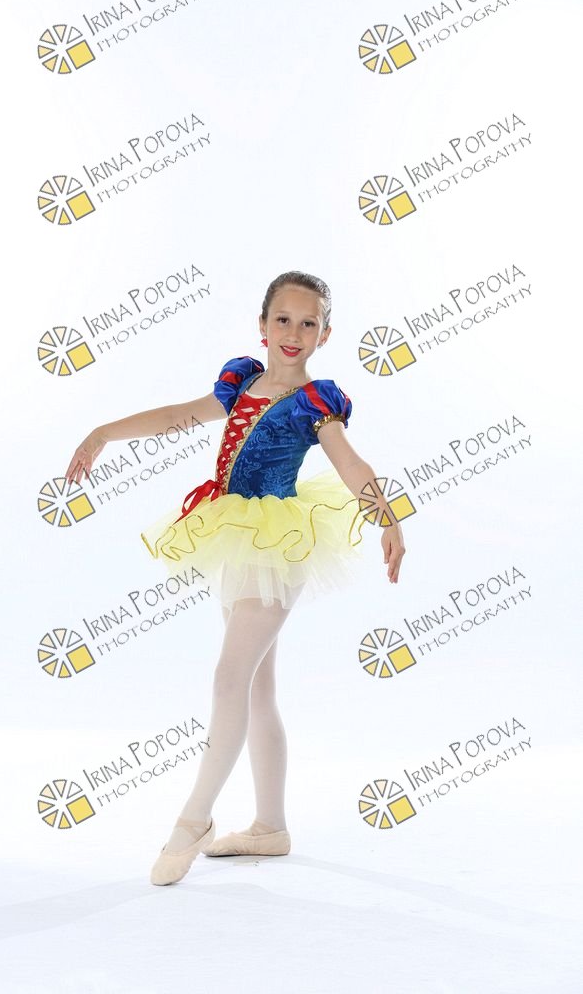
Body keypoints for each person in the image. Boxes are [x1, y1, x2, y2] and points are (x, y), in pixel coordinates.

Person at [65, 270, 406, 886]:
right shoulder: (241, 382)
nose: (294, 332)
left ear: (325, 334)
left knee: (228, 677)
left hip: (280, 543)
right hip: (231, 534)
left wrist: (386, 517)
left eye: (308, 323)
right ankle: (270, 827)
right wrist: (102, 433)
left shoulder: (315, 403)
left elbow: (351, 464)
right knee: (255, 688)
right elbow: (177, 415)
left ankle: (192, 820)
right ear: (262, 325)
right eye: (283, 319)